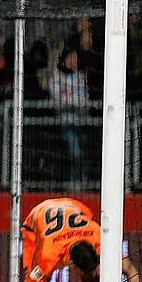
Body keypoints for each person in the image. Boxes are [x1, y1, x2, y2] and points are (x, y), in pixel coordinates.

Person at [49, 48, 88, 185]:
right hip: (64, 122)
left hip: (80, 121)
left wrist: (73, 104)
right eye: (72, 57)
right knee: (74, 152)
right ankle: (74, 181)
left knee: (82, 152)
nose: (74, 61)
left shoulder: (80, 77)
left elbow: (82, 100)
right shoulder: (57, 76)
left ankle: (81, 180)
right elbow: (58, 100)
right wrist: (72, 104)